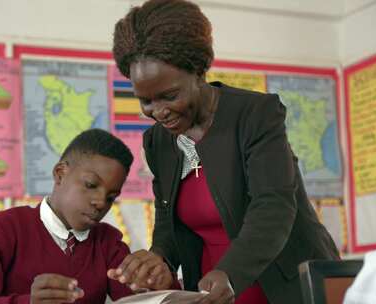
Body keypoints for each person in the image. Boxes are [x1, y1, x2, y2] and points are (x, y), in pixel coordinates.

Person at [110, 0, 340, 303]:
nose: (159, 112)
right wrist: (159, 258)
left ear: (198, 71)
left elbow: (273, 206)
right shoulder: (159, 142)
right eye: (147, 101)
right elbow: (168, 219)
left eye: (170, 96)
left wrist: (230, 274)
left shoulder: (255, 115)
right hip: (209, 290)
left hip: (283, 286)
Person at [0, 129, 175, 304]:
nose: (101, 202)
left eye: (111, 197)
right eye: (91, 185)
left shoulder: (108, 243)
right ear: (60, 173)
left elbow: (140, 299)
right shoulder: (5, 228)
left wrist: (161, 285)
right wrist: (27, 302)